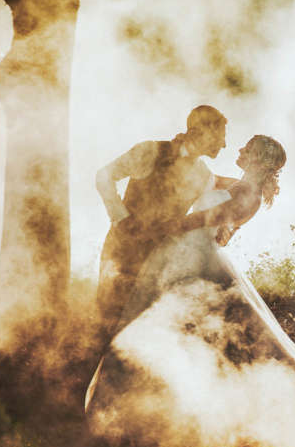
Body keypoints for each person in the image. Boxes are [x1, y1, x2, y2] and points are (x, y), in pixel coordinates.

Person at [85, 135, 295, 420]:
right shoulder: (239, 186)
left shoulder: (246, 195)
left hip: (196, 262)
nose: (238, 148)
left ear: (258, 158)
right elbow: (206, 191)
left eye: (247, 147)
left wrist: (149, 227)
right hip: (185, 257)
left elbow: (196, 222)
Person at [94, 105, 227, 344]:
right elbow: (104, 176)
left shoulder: (203, 175)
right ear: (201, 131)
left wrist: (225, 226)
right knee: (106, 318)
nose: (224, 144)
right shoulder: (149, 150)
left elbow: (206, 212)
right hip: (122, 251)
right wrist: (121, 218)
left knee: (142, 328)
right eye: (220, 136)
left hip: (161, 261)